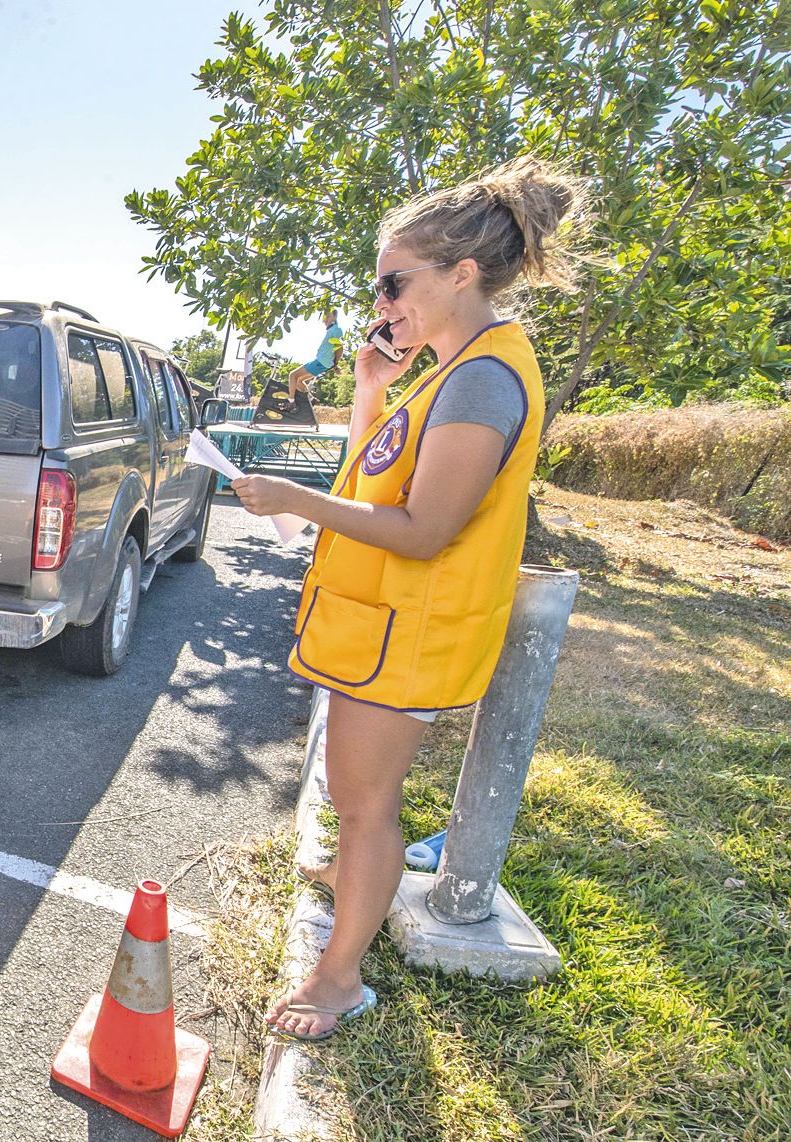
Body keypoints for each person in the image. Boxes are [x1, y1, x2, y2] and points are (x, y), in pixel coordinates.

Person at [232, 157, 588, 1040]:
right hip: (383, 627)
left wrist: (293, 499)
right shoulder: (444, 370)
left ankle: (339, 976)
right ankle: (355, 880)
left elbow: (424, 527)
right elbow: (373, 480)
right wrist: (368, 389)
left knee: (365, 804)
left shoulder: (482, 376)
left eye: (395, 282)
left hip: (412, 632)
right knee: (360, 801)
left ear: (461, 274)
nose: (382, 302)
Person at [288, 308, 346, 401]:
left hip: (321, 362)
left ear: (334, 318)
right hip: (323, 362)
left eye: (328, 317)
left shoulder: (336, 329)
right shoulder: (331, 330)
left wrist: (335, 364)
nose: (325, 320)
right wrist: (334, 365)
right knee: (298, 380)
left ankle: (290, 401)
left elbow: (339, 347)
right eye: (324, 318)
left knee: (293, 375)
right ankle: (310, 400)